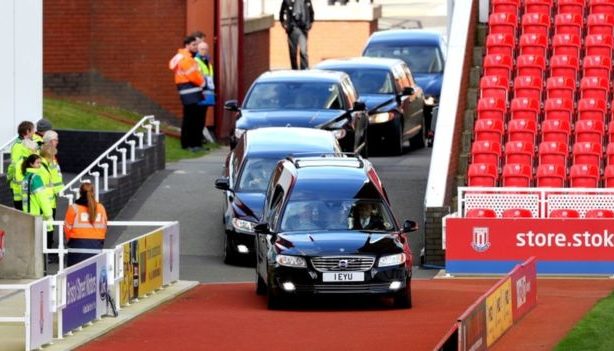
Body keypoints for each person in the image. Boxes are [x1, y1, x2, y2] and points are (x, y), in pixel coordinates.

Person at [169, 35, 207, 151]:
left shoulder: (183, 57)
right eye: (194, 45)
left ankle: (191, 144)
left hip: (188, 91)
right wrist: (202, 82)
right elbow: (193, 74)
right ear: (187, 45)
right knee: (191, 119)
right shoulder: (186, 59)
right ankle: (190, 144)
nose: (196, 47)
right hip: (191, 90)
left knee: (190, 118)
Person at [64, 182, 108, 266]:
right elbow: (105, 227)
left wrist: (71, 241)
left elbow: (67, 228)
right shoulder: (101, 208)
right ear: (93, 193)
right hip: (96, 247)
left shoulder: (73, 208)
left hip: (76, 248)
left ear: (80, 193)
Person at [21, 154, 54, 249]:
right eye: (38, 163)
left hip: (28, 213)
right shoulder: (36, 178)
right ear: (31, 164)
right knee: (43, 244)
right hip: (39, 214)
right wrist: (48, 214)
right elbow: (42, 198)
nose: (40, 165)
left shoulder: (26, 178)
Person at [39, 141, 64, 262]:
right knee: (46, 228)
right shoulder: (41, 167)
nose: (54, 157)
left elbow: (56, 179)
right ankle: (46, 254)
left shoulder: (50, 163)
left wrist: (60, 190)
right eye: (53, 155)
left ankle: (47, 253)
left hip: (50, 202)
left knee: (49, 228)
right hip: (44, 203)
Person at [8, 121, 38, 210]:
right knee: (23, 214)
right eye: (33, 130)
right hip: (21, 186)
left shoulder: (27, 143)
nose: (34, 132)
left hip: (26, 184)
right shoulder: (19, 146)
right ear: (28, 131)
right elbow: (16, 167)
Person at [280, 0, 314, 70]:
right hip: (292, 29)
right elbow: (281, 13)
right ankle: (294, 70)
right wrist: (284, 25)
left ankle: (304, 69)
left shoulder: (306, 1)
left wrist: (310, 24)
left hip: (303, 29)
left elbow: (311, 12)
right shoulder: (287, 1)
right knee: (293, 53)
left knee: (303, 51)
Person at [195, 40, 215, 145]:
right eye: (202, 49)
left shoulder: (207, 61)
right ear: (198, 50)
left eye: (206, 49)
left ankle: (201, 139)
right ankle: (198, 138)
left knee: (202, 117)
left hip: (207, 92)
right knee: (198, 116)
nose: (204, 51)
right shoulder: (196, 61)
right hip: (200, 92)